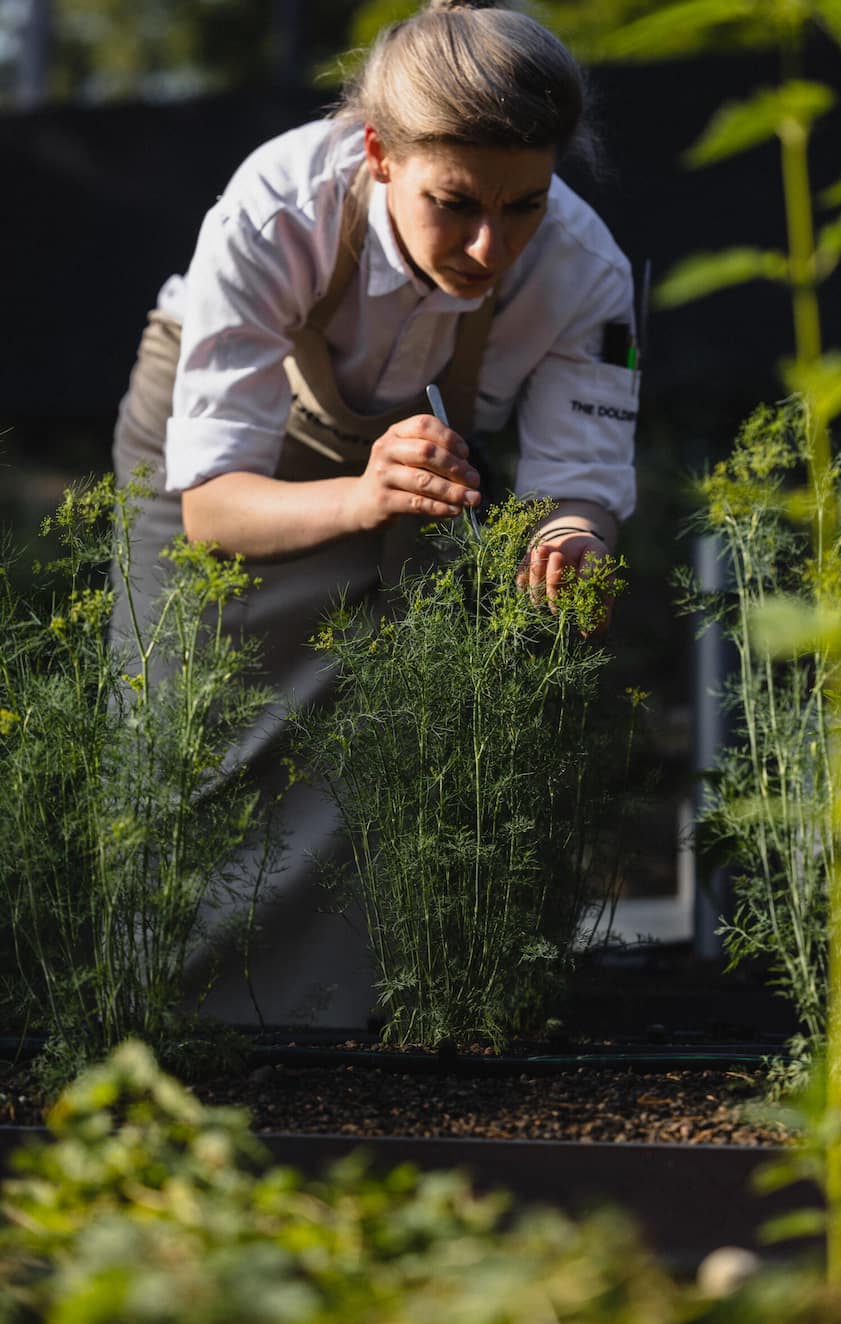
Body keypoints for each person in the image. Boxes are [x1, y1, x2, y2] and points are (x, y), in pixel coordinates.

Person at [111, 0, 640, 1028]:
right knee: (188, 737)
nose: (492, 246)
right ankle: (166, 1039)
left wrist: (572, 547)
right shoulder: (277, 208)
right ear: (379, 154)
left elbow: (583, 483)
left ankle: (353, 1046)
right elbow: (212, 503)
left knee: (391, 739)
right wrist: (360, 494)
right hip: (221, 459)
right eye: (458, 202)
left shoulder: (588, 274)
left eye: (525, 204)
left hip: (428, 460)